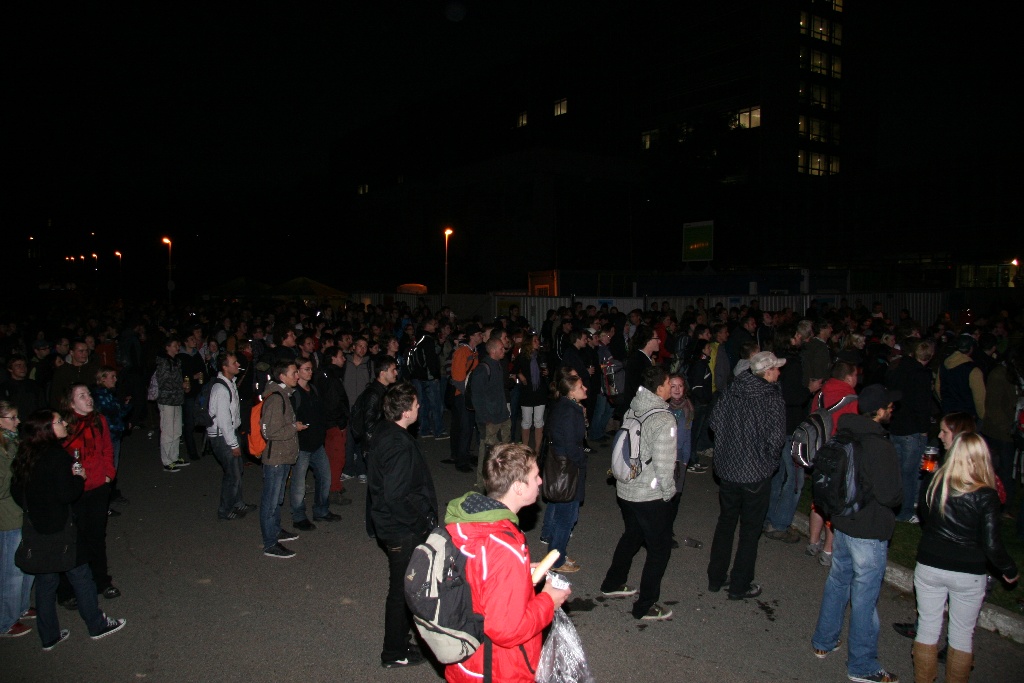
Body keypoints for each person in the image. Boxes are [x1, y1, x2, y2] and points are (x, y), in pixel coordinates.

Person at [444, 442, 571, 682]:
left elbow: (478, 577)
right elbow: (506, 630)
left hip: (466, 662)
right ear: (519, 488)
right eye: (535, 476)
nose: (541, 481)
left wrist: (519, 574)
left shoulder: (471, 521)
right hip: (495, 669)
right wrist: (548, 601)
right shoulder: (505, 547)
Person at [810, 384, 903, 683]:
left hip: (843, 523)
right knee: (864, 597)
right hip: (868, 529)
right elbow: (890, 495)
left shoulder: (844, 433)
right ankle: (862, 665)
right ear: (879, 410)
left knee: (838, 581)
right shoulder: (879, 446)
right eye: (889, 406)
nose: (892, 409)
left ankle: (824, 641)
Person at [10, 410, 125, 650]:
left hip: (37, 528)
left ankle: (49, 635)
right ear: (47, 429)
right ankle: (97, 625)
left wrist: (38, 507)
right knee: (81, 575)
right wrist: (79, 478)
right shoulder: (57, 456)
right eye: (59, 421)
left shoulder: (26, 454)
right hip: (61, 528)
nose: (64, 424)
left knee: (46, 581)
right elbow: (67, 494)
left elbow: (17, 491)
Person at [911, 433, 1019, 683]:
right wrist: (1009, 569)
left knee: (927, 627)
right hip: (968, 571)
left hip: (930, 563)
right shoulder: (986, 495)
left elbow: (925, 516)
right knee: (961, 634)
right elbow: (992, 543)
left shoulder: (935, 481)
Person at [366, 382, 439, 669]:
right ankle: (393, 652)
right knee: (401, 591)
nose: (419, 406)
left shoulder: (388, 432)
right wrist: (422, 525)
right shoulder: (397, 444)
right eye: (416, 403)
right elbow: (396, 497)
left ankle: (399, 641)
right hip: (401, 529)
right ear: (406, 411)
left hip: (393, 524)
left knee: (404, 588)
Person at [706, 351, 787, 600]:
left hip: (729, 471)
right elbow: (777, 438)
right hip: (755, 474)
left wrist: (728, 446)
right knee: (750, 532)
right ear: (766, 372)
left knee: (726, 523)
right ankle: (739, 585)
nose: (779, 372)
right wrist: (768, 463)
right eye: (776, 368)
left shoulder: (733, 390)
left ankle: (715, 578)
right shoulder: (771, 397)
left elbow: (714, 422)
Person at [599, 365, 677, 621]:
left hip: (625, 489)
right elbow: (664, 464)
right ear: (659, 388)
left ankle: (612, 583)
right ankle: (645, 606)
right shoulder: (664, 419)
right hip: (648, 495)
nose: (671, 387)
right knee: (659, 549)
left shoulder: (633, 408)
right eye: (668, 383)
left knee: (633, 535)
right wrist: (669, 493)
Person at [56, 383, 119, 607]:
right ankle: (67, 590)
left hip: (98, 487)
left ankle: (102, 581)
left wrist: (108, 474)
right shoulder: (64, 426)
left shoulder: (98, 420)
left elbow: (107, 448)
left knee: (97, 536)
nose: (88, 398)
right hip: (76, 491)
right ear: (71, 403)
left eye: (89, 394)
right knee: (73, 539)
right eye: (82, 396)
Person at [259, 359, 306, 559]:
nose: (297, 375)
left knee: (277, 499)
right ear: (282, 376)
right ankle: (270, 543)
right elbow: (270, 431)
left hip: (283, 455)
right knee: (270, 501)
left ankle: (276, 530)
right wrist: (294, 427)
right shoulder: (276, 399)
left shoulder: (284, 394)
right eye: (294, 372)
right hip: (275, 458)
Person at [542, 372, 589, 573]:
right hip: (567, 468)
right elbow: (571, 446)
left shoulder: (563, 406)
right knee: (567, 517)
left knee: (560, 512)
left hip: (560, 464)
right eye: (580, 387)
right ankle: (557, 560)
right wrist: (582, 460)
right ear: (571, 392)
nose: (585, 389)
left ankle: (556, 552)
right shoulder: (570, 412)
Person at [288, 358, 337, 530]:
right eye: (306, 369)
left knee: (325, 477)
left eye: (311, 369)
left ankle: (321, 510)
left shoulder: (313, 389)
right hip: (302, 445)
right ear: (298, 371)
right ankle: (299, 516)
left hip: (317, 443)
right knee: (299, 484)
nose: (310, 372)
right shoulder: (294, 393)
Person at [205, 351, 252, 521]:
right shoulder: (221, 389)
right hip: (223, 437)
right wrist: (233, 444)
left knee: (237, 471)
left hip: (230, 433)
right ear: (225, 367)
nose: (238, 365)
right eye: (234, 363)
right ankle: (224, 510)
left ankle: (238, 503)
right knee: (232, 475)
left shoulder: (230, 383)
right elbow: (224, 420)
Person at [0, 403, 33, 638]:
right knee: (11, 572)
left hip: (22, 510)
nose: (18, 422)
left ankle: (21, 607)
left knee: (27, 564)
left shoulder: (12, 442)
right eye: (12, 418)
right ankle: (6, 621)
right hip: (8, 515)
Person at [470, 338, 512, 486]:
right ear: (493, 351)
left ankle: (500, 480)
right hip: (489, 418)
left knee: (503, 450)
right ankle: (482, 483)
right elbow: (476, 397)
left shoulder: (497, 365)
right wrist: (485, 418)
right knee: (487, 451)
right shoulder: (483, 369)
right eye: (501, 348)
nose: (504, 350)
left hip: (502, 415)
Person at [91, 366, 131, 507]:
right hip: (107, 436)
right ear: (102, 378)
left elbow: (117, 413)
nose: (115, 379)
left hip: (114, 435)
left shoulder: (109, 394)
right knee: (107, 468)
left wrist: (124, 406)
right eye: (112, 377)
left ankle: (111, 495)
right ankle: (104, 501)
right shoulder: (100, 396)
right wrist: (122, 409)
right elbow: (111, 415)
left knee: (112, 467)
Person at [154, 336, 189, 473]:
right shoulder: (163, 362)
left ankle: (174, 456)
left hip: (177, 399)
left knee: (177, 430)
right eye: (174, 345)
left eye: (178, 345)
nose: (177, 348)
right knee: (168, 430)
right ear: (167, 347)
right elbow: (163, 382)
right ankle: (166, 461)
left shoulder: (176, 361)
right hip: (166, 400)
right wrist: (180, 385)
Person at [515, 332, 549, 452]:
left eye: (538, 340)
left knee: (539, 421)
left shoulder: (541, 356)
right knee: (526, 421)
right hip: (527, 392)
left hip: (540, 392)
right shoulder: (522, 357)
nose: (537, 342)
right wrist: (520, 375)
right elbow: (513, 369)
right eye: (535, 340)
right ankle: (525, 449)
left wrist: (546, 372)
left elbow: (547, 370)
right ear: (528, 343)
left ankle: (537, 449)